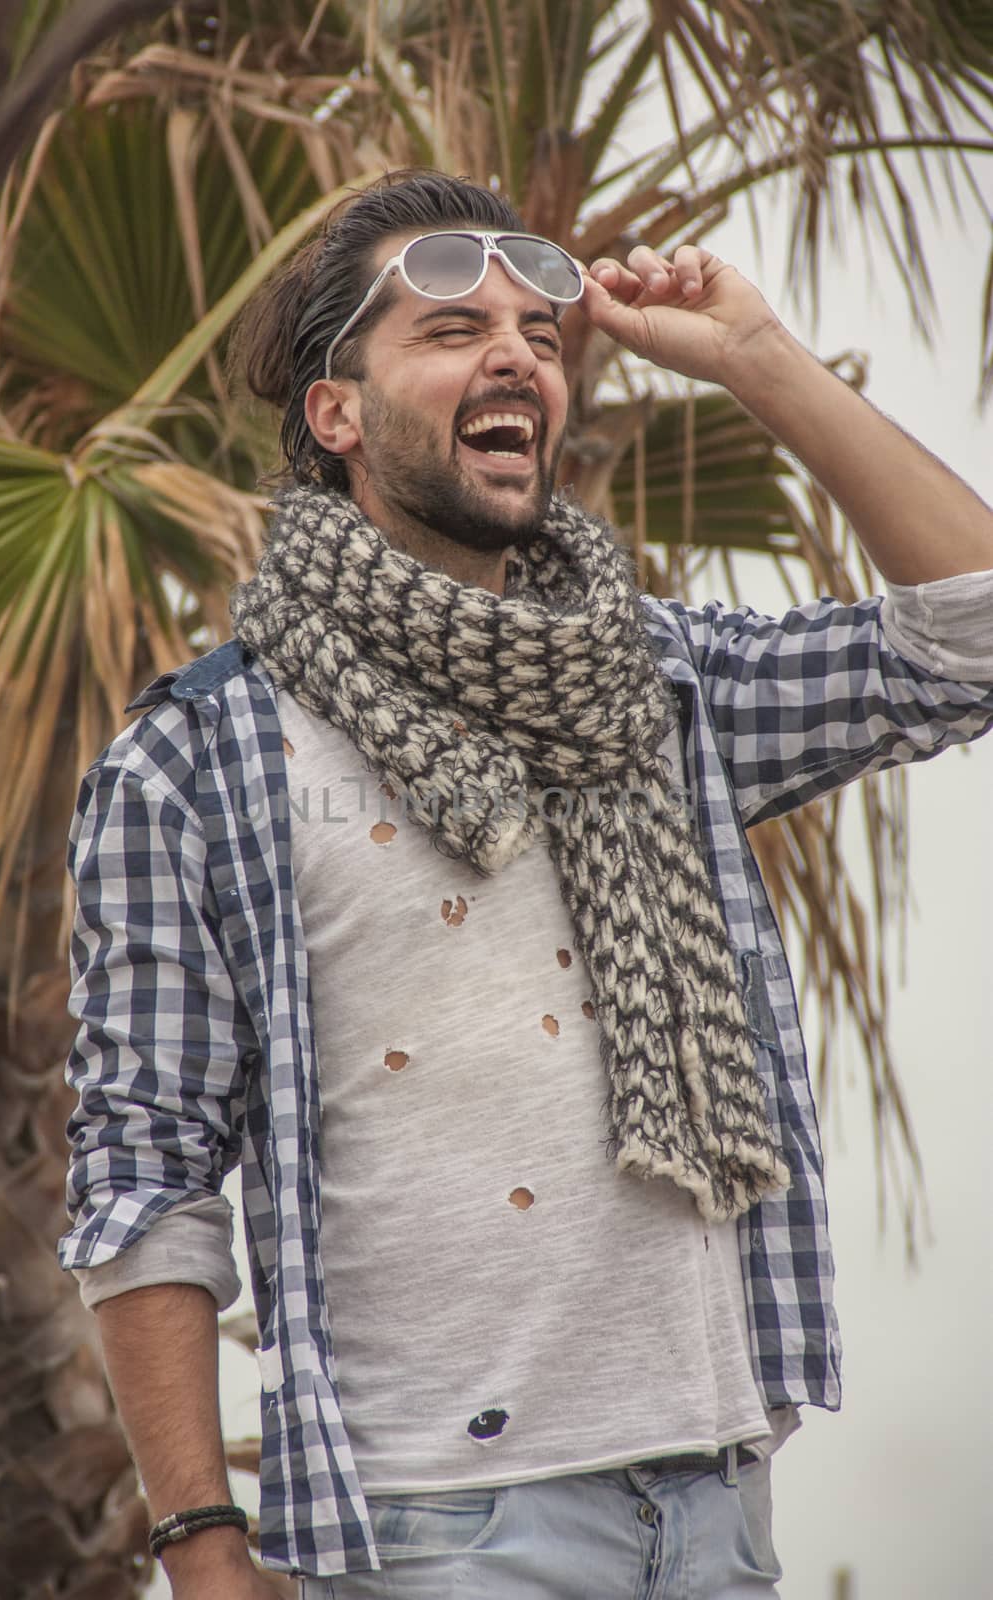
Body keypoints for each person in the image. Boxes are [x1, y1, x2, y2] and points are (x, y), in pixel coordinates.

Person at [58, 171, 993, 1600]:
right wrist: (201, 1546)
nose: (516, 354)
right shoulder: (200, 758)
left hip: (717, 1500)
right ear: (338, 414)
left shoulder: (663, 688)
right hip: (435, 1530)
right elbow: (146, 1180)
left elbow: (967, 637)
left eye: (537, 335)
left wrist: (757, 357)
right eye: (450, 330)